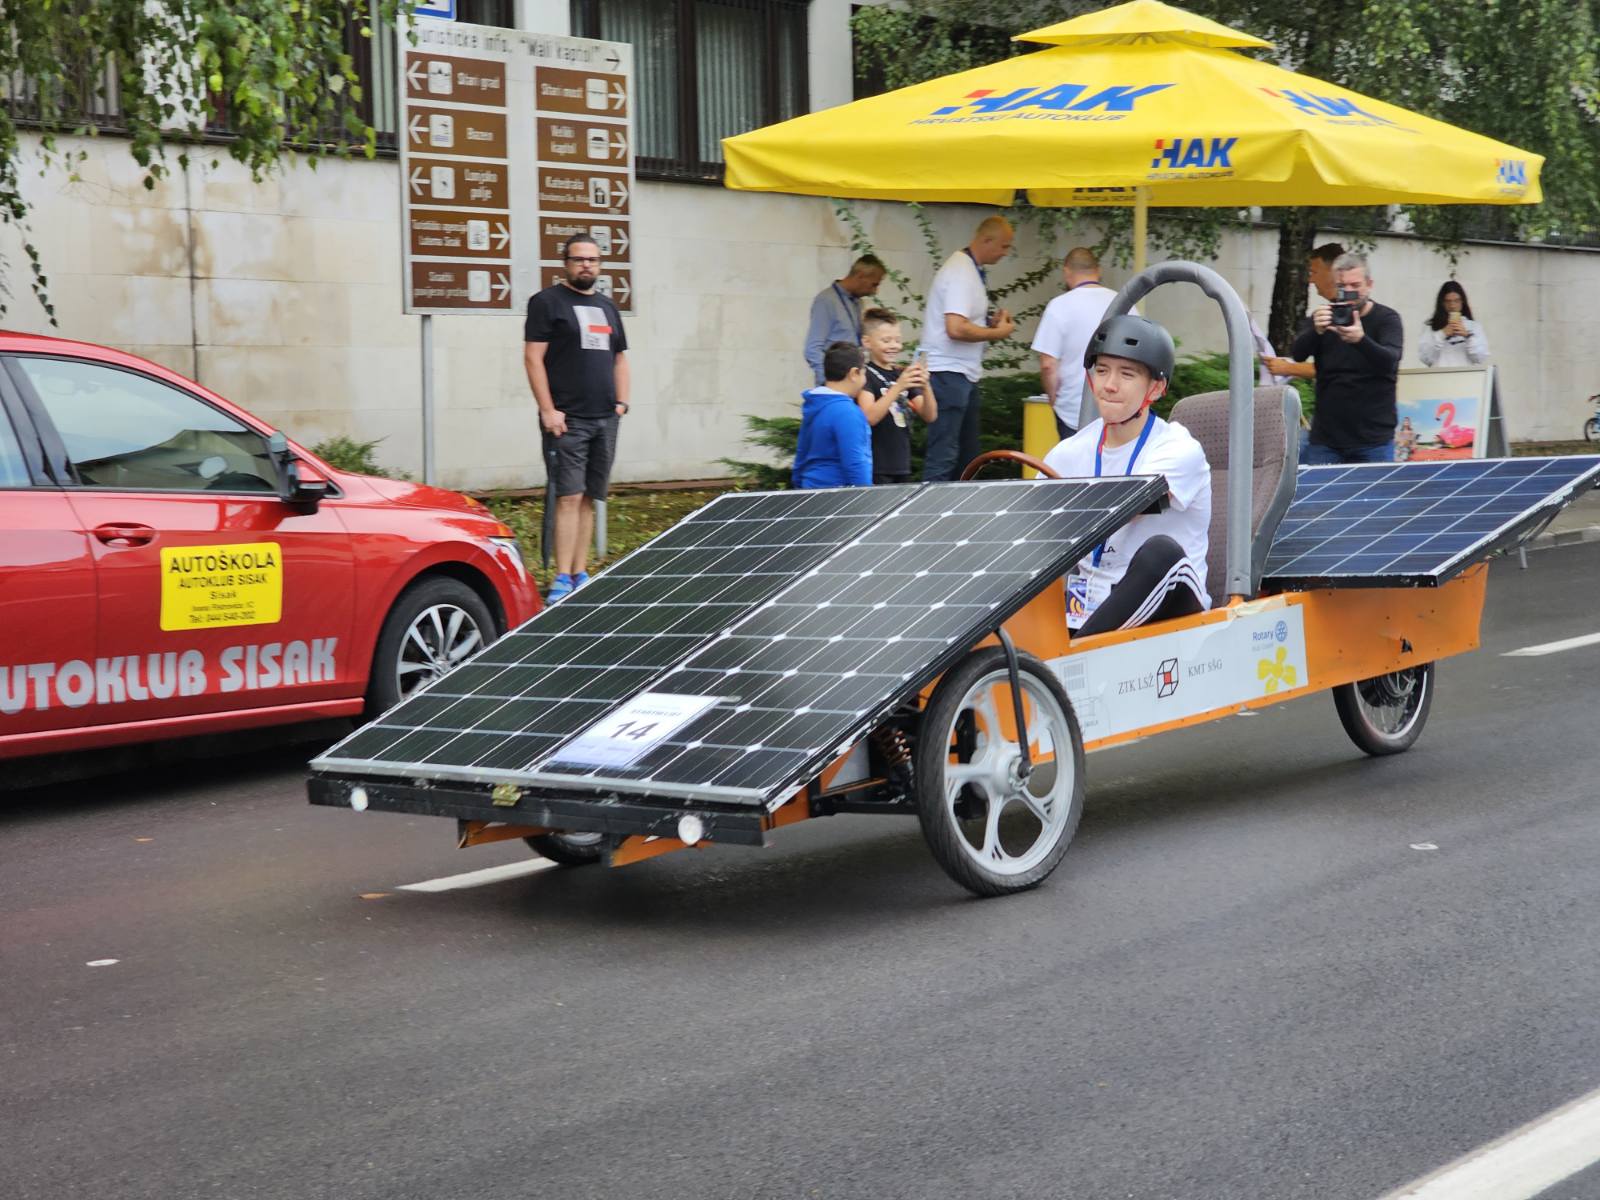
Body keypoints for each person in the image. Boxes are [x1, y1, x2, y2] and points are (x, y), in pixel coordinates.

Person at [1042, 314, 1211, 636]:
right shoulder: (1069, 452)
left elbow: (1123, 508)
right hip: (1089, 608)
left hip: (1174, 608)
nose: (1109, 385)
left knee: (1161, 551)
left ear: (1157, 387)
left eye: (1127, 374)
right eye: (1102, 370)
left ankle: (1076, 658)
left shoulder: (1177, 448)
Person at [524, 235, 630, 605]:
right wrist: (547, 409)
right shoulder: (546, 303)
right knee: (568, 497)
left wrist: (621, 403)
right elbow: (533, 358)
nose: (587, 265)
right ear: (565, 264)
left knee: (589, 497)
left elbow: (619, 359)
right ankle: (560, 578)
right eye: (579, 259)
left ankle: (580, 571)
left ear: (600, 266)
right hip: (567, 419)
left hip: (605, 417)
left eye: (593, 260)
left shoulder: (607, 307)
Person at [921, 216, 1015, 481]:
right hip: (949, 372)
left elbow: (962, 322)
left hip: (960, 373)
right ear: (986, 240)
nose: (1005, 253)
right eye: (1004, 246)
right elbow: (955, 327)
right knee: (946, 454)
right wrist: (997, 332)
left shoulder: (969, 269)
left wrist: (986, 324)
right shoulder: (962, 271)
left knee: (966, 454)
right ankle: (930, 515)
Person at [1290, 251, 1405, 464]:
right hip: (1326, 439)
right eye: (1342, 287)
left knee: (1375, 497)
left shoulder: (1387, 319)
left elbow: (1390, 361)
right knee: (1323, 497)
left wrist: (1361, 340)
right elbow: (1297, 354)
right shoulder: (1323, 317)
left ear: (1369, 284)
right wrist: (1316, 330)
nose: (1349, 292)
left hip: (1373, 439)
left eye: (1355, 286)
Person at [1032, 246, 1120, 439]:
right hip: (1117, 408)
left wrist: (1054, 399)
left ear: (1066, 272)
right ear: (1098, 270)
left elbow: (1048, 365)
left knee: (1075, 468)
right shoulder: (1122, 303)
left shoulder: (1059, 306)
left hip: (1073, 410)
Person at [856, 308, 936, 485]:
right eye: (886, 340)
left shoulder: (901, 373)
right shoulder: (865, 375)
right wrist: (899, 386)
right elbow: (869, 417)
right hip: (877, 465)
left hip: (901, 463)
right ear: (867, 342)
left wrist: (926, 385)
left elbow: (930, 415)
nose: (894, 346)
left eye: (898, 340)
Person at [1262, 242, 1345, 381]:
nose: (1310, 279)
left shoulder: (1362, 315)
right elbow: (1299, 353)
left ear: (1333, 272)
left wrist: (1289, 368)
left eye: (1314, 272)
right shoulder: (1320, 317)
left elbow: (1341, 367)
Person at [792, 341, 871, 489]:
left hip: (809, 492)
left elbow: (801, 456)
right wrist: (866, 497)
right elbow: (856, 463)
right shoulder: (848, 412)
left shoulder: (815, 405)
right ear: (854, 373)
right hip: (839, 497)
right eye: (864, 372)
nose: (865, 380)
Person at [804, 255, 885, 385]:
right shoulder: (826, 300)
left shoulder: (857, 302)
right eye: (873, 284)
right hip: (836, 383)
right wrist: (829, 381)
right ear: (860, 276)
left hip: (854, 379)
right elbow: (812, 349)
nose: (874, 291)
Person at [1419, 281, 1490, 367]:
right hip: (1439, 377)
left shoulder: (1474, 326)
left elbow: (1479, 359)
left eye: (1456, 301)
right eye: (1448, 301)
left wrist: (1468, 337)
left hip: (1466, 377)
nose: (1452, 305)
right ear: (1442, 303)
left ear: (1462, 302)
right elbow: (1426, 358)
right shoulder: (1430, 326)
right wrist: (1442, 334)